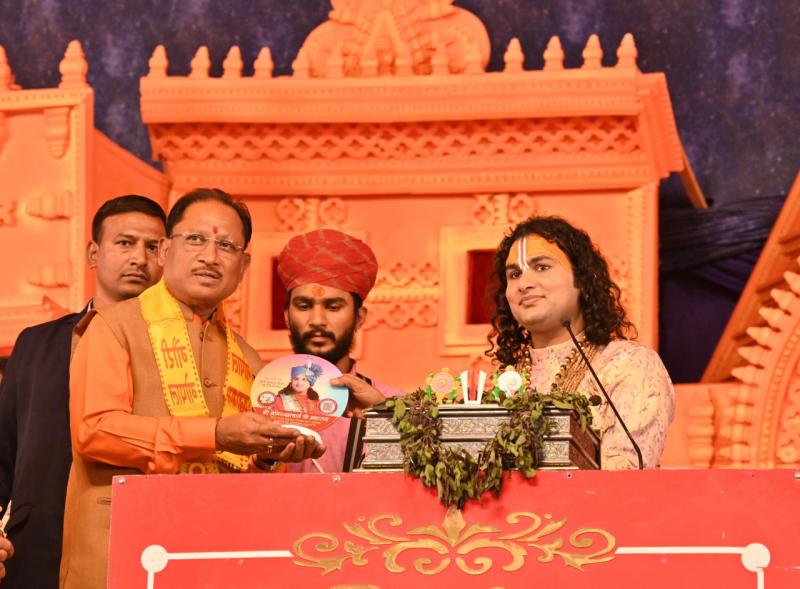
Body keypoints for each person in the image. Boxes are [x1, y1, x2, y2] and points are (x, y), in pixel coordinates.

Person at [60, 188, 325, 588]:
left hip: (212, 556)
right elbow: (94, 430)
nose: (210, 257)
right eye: (196, 239)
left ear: (244, 264)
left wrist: (271, 456)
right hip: (120, 555)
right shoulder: (114, 327)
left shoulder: (250, 361)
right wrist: (216, 434)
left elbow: (247, 477)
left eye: (227, 246)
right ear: (165, 250)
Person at [0, 194, 167, 588]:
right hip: (36, 550)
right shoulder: (36, 344)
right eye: (124, 243)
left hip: (138, 550)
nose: (139, 258)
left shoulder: (178, 354)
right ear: (94, 252)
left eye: (153, 247)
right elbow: (3, 452)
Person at [487, 216, 675, 469]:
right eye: (514, 274)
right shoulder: (505, 381)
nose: (524, 284)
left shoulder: (627, 365)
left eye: (542, 267)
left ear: (582, 281)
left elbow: (624, 481)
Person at [277, 228, 403, 473]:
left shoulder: (392, 403)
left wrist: (387, 416)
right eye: (304, 306)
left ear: (359, 318)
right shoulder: (258, 400)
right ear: (286, 316)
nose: (317, 320)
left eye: (333, 307)